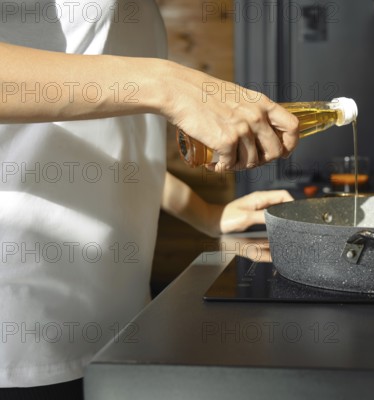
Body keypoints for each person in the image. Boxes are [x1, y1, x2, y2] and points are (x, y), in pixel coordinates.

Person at [0, 0, 299, 397]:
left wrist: (207, 213)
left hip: (118, 318)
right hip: (23, 328)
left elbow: (108, 148)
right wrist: (165, 84)